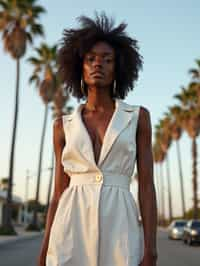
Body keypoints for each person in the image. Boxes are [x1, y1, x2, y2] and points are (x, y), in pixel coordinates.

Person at [38, 12, 158, 266]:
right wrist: (44, 250)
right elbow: (59, 194)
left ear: (118, 67)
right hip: (71, 227)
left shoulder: (138, 117)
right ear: (79, 67)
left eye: (107, 59)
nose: (97, 65)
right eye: (90, 59)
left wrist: (151, 249)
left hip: (121, 225)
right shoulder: (63, 126)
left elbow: (147, 186)